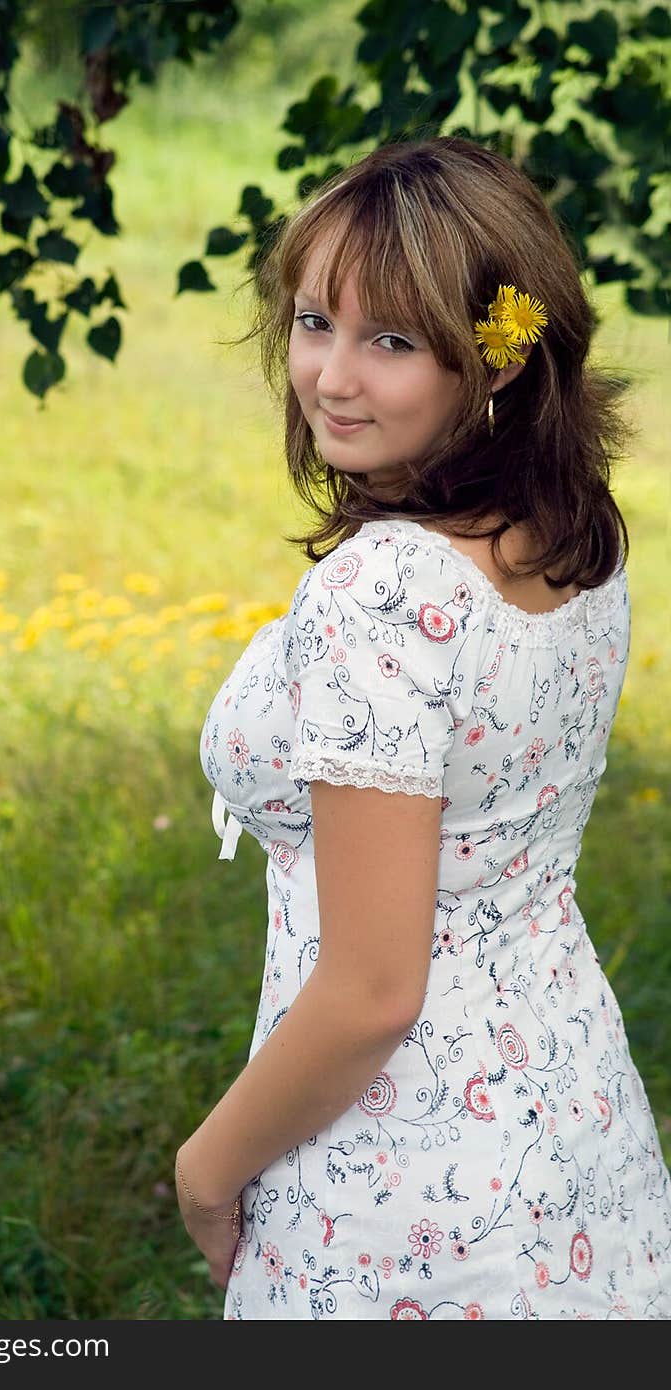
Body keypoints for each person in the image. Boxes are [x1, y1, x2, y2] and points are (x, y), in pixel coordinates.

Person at [174, 134, 671, 1319]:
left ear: (492, 362)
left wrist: (204, 1174)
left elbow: (371, 989)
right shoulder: (569, 530)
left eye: (390, 341)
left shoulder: (383, 594)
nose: (330, 377)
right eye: (312, 322)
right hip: (575, 1141)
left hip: (403, 1199)